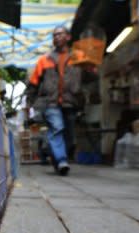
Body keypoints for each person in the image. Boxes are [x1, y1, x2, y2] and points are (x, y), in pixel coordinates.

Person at [26, 26, 85, 175]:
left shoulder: (78, 57)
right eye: (54, 35)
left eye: (60, 34)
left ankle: (55, 156)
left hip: (70, 101)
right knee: (57, 128)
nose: (57, 37)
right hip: (50, 102)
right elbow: (33, 84)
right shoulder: (44, 60)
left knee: (69, 137)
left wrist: (92, 71)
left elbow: (89, 78)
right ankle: (61, 160)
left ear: (68, 37)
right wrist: (30, 104)